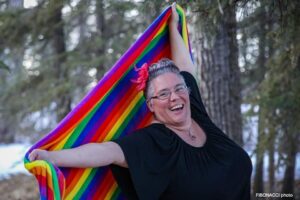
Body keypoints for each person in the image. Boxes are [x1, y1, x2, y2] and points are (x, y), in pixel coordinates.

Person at [29, 3, 252, 200]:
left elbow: (185, 67)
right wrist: (52, 157)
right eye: (163, 94)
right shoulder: (153, 143)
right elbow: (107, 152)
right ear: (151, 105)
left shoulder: (194, 110)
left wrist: (172, 27)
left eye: (178, 88)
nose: (174, 96)